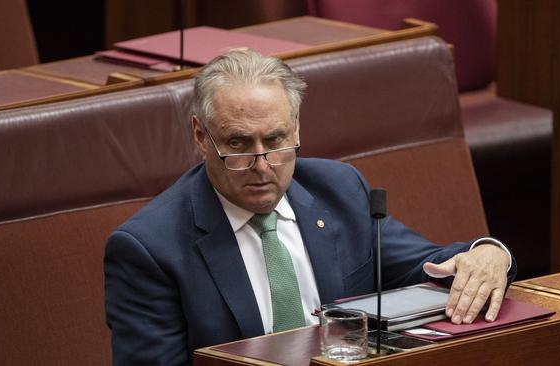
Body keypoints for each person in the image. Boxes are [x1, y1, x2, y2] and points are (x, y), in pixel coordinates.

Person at [104, 49, 516, 365]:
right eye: (238, 145)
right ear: (200, 135)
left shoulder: (337, 190)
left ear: (298, 126)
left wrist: (487, 253)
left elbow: (429, 268)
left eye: (277, 139)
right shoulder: (149, 249)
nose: (262, 165)